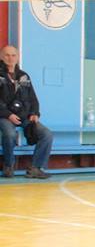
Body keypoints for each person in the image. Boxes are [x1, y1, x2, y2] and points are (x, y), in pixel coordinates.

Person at [0, 45, 53, 179]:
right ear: (1, 57)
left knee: (46, 134)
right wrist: (8, 115)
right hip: (4, 115)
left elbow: (33, 98)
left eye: (13, 55)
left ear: (17, 57)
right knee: (9, 133)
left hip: (24, 116)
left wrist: (35, 113)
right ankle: (8, 165)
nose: (10, 58)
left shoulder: (24, 76)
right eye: (7, 55)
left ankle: (36, 168)